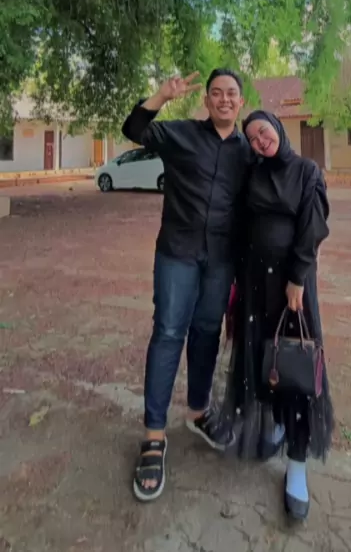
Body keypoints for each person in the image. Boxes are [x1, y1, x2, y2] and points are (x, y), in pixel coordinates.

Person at [121, 69, 251, 502]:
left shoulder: (247, 151)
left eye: (231, 93)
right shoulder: (183, 135)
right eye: (216, 93)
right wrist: (161, 96)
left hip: (220, 260)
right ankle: (154, 436)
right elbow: (134, 129)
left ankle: (198, 412)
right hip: (177, 253)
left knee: (207, 333)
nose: (224, 99)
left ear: (241, 101)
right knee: (168, 333)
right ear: (207, 101)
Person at [215, 110, 334, 521]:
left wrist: (297, 277)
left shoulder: (306, 172)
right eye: (252, 138)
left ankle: (297, 464)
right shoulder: (254, 174)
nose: (259, 141)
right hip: (254, 285)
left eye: (263, 132)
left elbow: (312, 228)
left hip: (291, 289)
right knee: (264, 362)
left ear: (278, 130)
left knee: (295, 365)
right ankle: (278, 424)